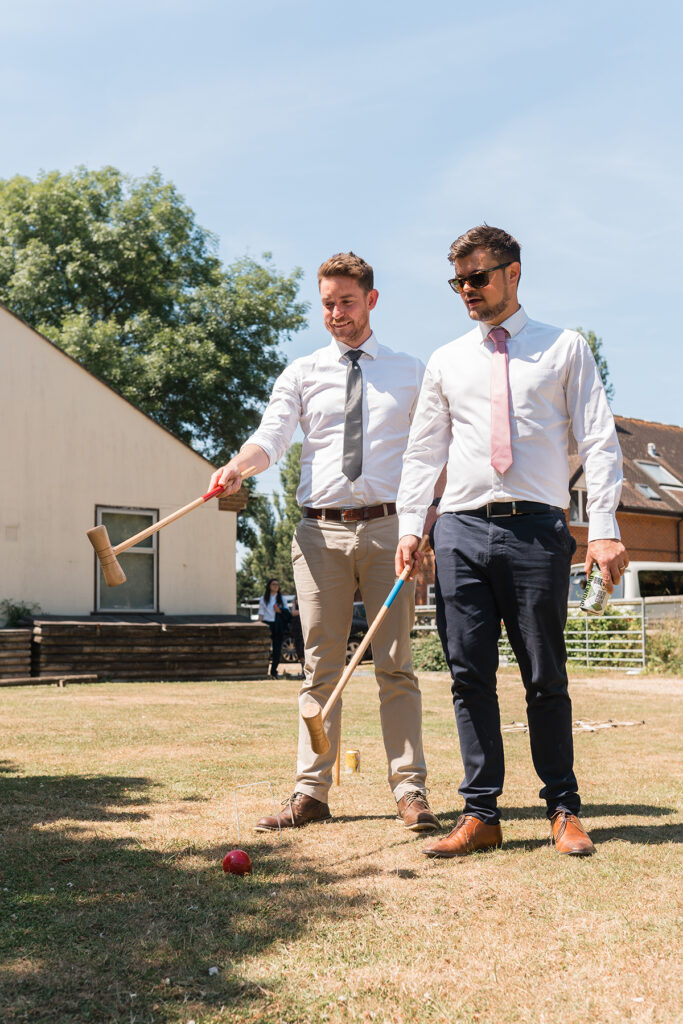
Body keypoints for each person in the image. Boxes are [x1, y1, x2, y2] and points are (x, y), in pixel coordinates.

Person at [395, 225, 628, 858]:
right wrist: (412, 527)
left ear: (513, 272)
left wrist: (602, 527)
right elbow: (423, 451)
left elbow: (600, 441)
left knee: (545, 676)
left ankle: (563, 810)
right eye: (458, 281)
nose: (468, 290)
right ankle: (481, 815)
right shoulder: (447, 360)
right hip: (462, 530)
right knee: (469, 677)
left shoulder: (565, 348)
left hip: (537, 530)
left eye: (479, 277)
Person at [210, 252, 440, 834]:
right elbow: (272, 437)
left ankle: (410, 791)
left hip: (392, 530)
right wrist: (240, 465)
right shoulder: (303, 372)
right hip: (319, 533)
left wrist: (427, 522)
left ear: (371, 300)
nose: (336, 313)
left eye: (347, 301)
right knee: (320, 666)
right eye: (328, 304)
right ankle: (311, 791)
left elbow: (432, 454)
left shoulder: (412, 371)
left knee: (395, 665)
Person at [258, 578, 289, 679]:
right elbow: (261, 614)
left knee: (277, 649)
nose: (276, 586)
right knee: (265, 648)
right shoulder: (264, 598)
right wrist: (260, 625)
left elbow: (287, 613)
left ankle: (273, 671)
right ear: (269, 586)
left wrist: (279, 611)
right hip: (267, 624)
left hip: (278, 625)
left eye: (277, 584)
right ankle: (262, 670)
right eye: (273, 584)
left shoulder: (282, 599)